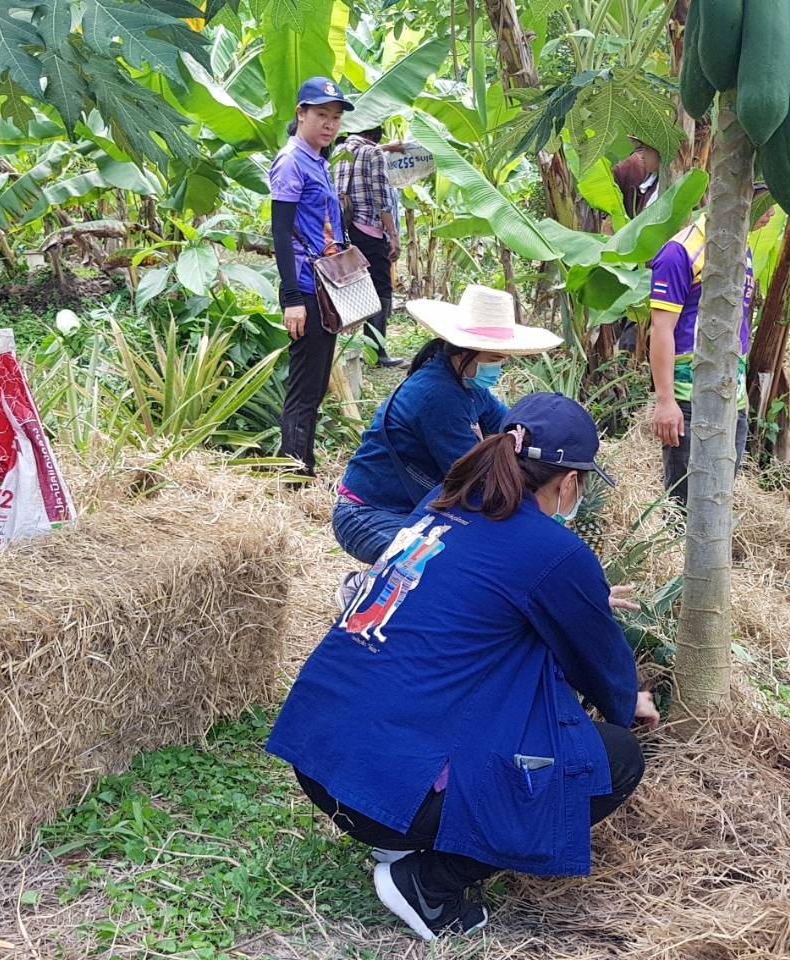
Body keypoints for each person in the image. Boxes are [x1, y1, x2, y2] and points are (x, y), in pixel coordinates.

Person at [267, 392, 656, 942]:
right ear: (568, 482)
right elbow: (605, 673)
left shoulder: (443, 502)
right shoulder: (554, 550)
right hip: (380, 795)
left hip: (320, 767)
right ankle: (428, 881)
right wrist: (630, 700)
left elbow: (473, 598)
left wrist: (575, 597)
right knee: (615, 758)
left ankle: (405, 830)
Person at [332, 284, 561, 568]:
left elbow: (507, 422)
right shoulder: (438, 395)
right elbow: (476, 479)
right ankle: (359, 590)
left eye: (502, 361)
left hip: (410, 509)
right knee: (444, 564)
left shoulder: (466, 383)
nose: (497, 369)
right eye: (492, 360)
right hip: (367, 513)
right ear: (461, 352)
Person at [271, 77, 354, 478]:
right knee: (305, 385)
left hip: (326, 286)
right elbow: (280, 232)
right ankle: (292, 473)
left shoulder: (317, 160)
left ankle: (304, 466)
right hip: (306, 287)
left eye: (335, 118)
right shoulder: (291, 161)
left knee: (317, 381)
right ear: (301, 113)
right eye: (321, 115)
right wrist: (291, 298)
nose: (329, 124)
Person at [648, 213, 755, 505]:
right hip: (690, 398)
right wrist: (665, 401)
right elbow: (660, 329)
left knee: (720, 497)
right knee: (685, 502)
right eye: (765, 201)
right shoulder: (680, 251)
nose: (771, 212)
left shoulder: (740, 247)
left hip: (734, 396)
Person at [335, 126, 406, 368]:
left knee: (359, 286)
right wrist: (393, 235)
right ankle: (377, 352)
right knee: (381, 288)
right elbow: (381, 197)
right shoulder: (372, 153)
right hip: (370, 229)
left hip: (346, 229)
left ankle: (362, 345)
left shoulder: (340, 150)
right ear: (376, 135)